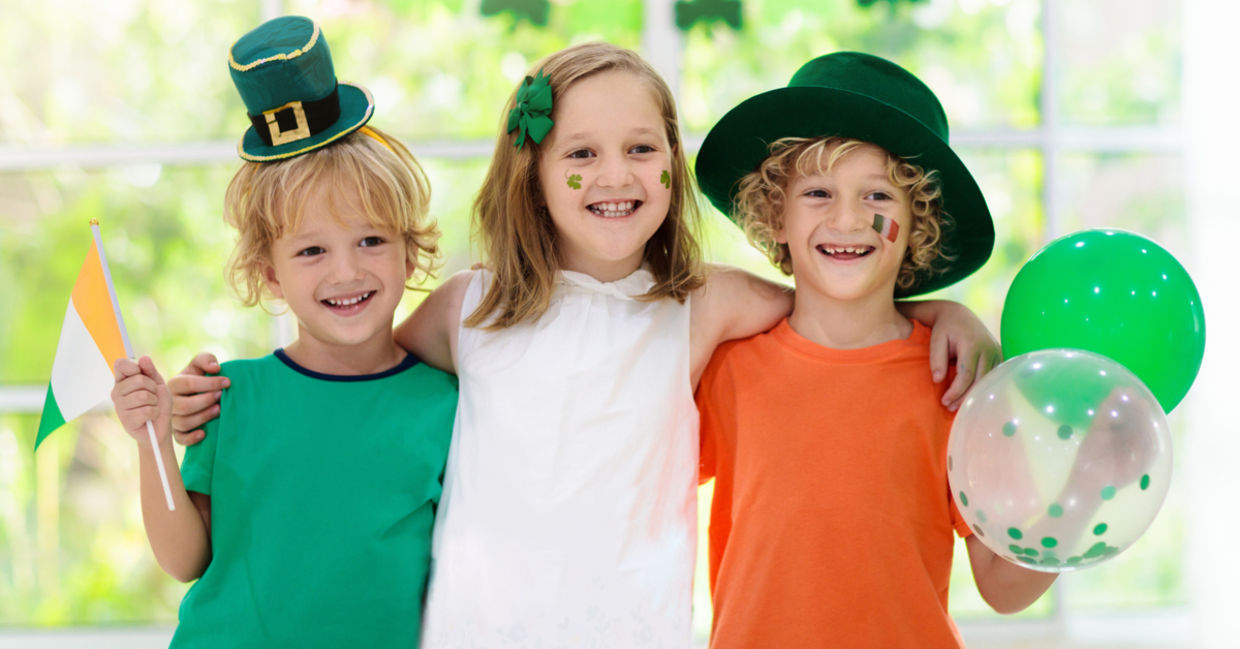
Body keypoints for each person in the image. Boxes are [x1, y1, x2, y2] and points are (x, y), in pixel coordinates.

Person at [169, 42, 997, 648]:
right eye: (582, 153)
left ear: (671, 166)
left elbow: (841, 300)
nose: (615, 175)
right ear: (532, 172)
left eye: (641, 149)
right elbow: (351, 362)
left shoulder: (702, 303)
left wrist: (943, 316)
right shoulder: (471, 307)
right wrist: (222, 400)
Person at [109, 16, 456, 648]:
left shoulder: (448, 403)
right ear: (269, 273)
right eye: (311, 251)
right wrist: (153, 442)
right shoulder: (226, 396)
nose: (346, 270)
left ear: (411, 253)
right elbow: (185, 560)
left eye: (372, 240)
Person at [692, 51, 1058, 648]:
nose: (848, 219)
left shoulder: (957, 382)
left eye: (880, 198)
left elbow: (1003, 586)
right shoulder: (727, 367)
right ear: (774, 215)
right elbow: (630, 481)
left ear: (920, 226)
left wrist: (1070, 496)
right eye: (816, 192)